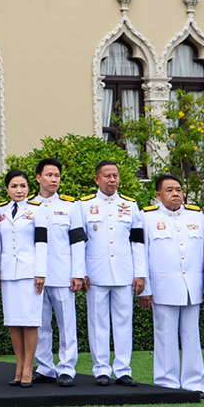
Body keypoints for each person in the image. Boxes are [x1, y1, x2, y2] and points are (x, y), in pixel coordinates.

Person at [138, 174, 204, 399]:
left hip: (192, 287)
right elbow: (142, 254)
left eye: (178, 189)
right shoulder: (146, 217)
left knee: (192, 336)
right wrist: (146, 288)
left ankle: (194, 383)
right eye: (169, 190)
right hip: (162, 286)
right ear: (158, 195)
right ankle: (166, 383)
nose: (176, 193)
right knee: (165, 335)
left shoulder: (197, 216)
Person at [78, 159, 146, 387]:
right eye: (107, 176)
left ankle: (123, 369)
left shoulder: (130, 205)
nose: (112, 179)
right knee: (98, 322)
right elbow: (80, 242)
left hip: (124, 273)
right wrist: (81, 271)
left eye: (115, 175)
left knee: (124, 322)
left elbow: (137, 242)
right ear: (97, 179)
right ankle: (101, 369)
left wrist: (140, 273)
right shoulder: (84, 205)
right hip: (95, 273)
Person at [30, 158, 86, 387]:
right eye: (49, 175)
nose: (54, 180)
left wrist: (78, 273)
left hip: (63, 273)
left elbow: (78, 241)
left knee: (66, 323)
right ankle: (44, 367)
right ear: (38, 177)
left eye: (57, 176)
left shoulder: (71, 206)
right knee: (40, 323)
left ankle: (66, 368)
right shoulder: (29, 205)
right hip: (37, 275)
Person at [0, 170, 48, 387]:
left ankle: (28, 368)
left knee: (30, 321)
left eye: (23, 186)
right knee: (14, 322)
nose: (19, 190)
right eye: (14, 186)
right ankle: (18, 366)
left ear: (29, 188)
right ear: (7, 189)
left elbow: (42, 242)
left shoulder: (37, 210)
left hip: (29, 273)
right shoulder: (0, 212)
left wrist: (40, 272)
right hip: (8, 273)